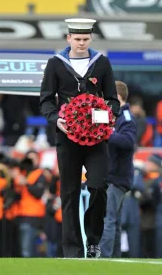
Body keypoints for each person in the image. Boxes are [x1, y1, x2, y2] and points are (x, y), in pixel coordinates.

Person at [40, 18, 120, 258]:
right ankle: (72, 249)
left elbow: (113, 99)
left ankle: (93, 240)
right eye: (77, 39)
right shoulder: (55, 64)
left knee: (98, 186)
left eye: (86, 39)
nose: (82, 43)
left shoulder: (102, 62)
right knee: (69, 192)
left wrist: (108, 117)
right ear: (69, 39)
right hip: (67, 139)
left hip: (96, 140)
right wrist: (57, 120)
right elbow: (45, 99)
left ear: (91, 38)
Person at [100, 81, 137, 258]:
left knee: (108, 219)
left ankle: (105, 259)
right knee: (113, 221)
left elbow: (128, 142)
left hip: (117, 177)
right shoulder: (114, 115)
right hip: (114, 176)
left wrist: (107, 133)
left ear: (118, 97)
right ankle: (113, 260)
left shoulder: (126, 117)